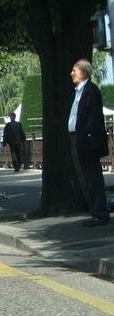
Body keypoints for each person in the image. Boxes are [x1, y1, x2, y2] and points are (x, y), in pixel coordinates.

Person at [68, 59, 110, 227]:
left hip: (86, 141)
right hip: (77, 139)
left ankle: (100, 214)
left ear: (83, 73)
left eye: (74, 70)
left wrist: (92, 142)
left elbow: (94, 118)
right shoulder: (79, 91)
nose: (71, 73)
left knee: (92, 178)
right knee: (85, 178)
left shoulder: (90, 90)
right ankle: (95, 211)